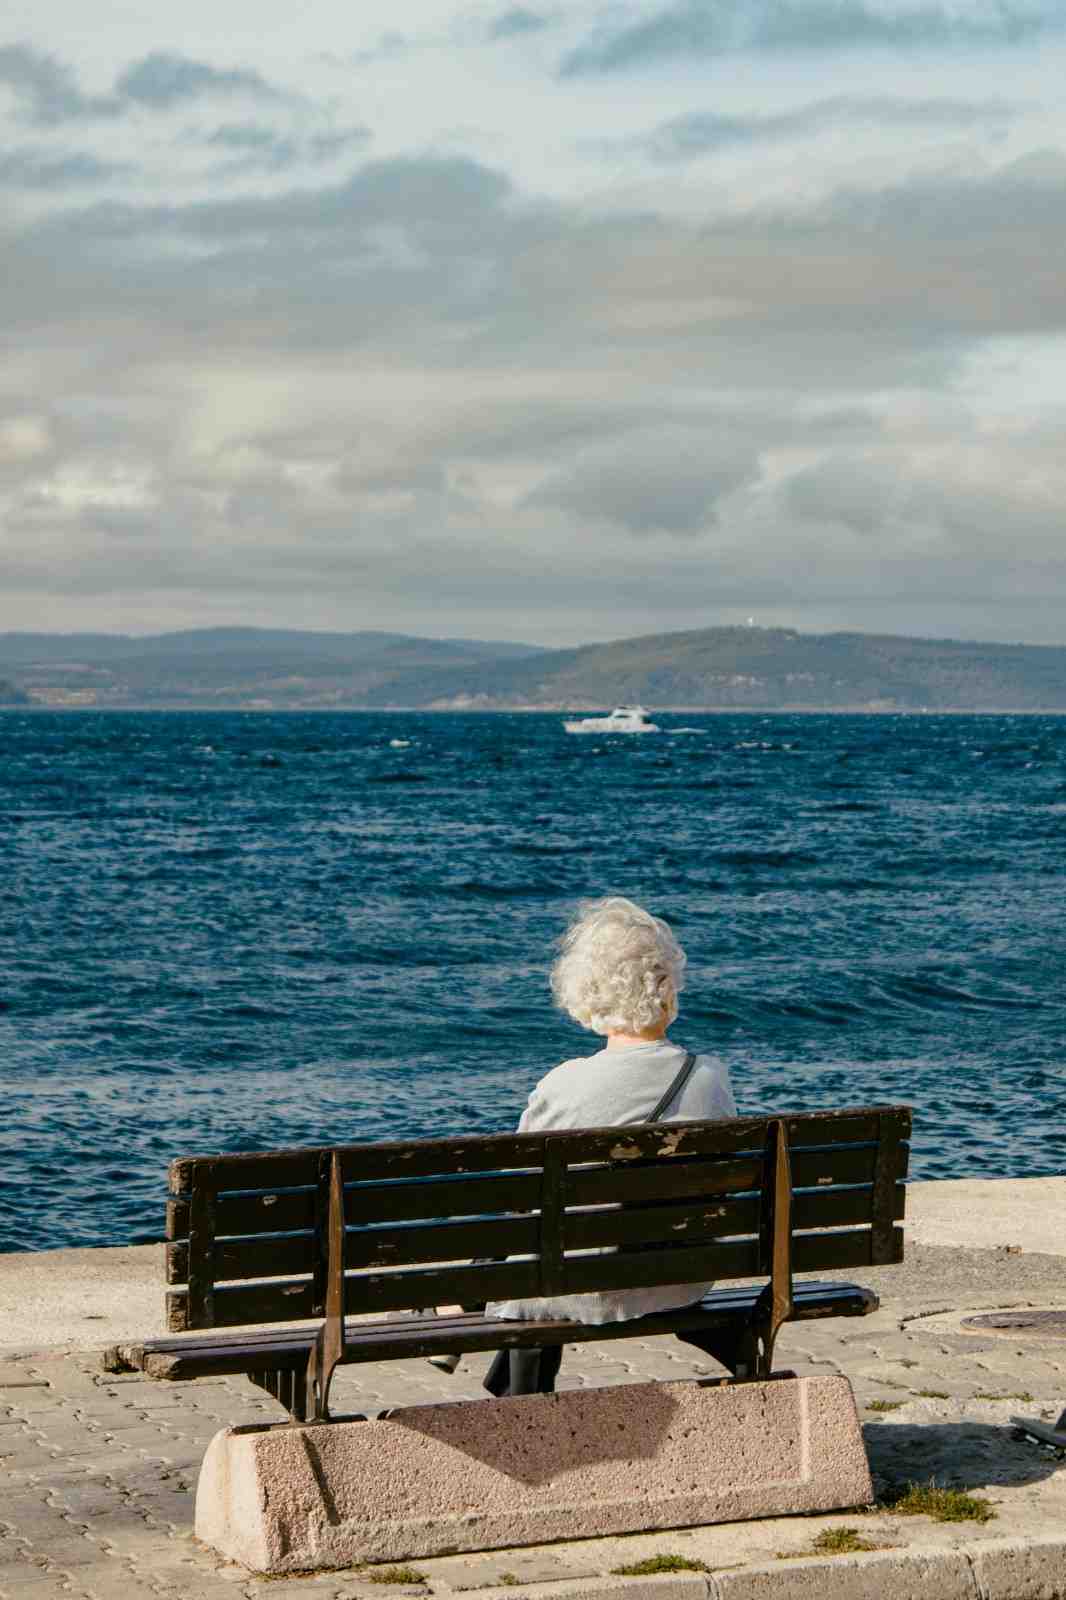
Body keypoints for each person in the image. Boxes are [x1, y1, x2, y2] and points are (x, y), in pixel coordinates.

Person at [480, 895, 737, 1397]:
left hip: (578, 1284)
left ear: (587, 992)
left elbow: (520, 1199)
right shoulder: (710, 1077)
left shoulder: (565, 1084)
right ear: (668, 989)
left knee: (527, 1251)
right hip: (681, 1276)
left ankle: (504, 1382)